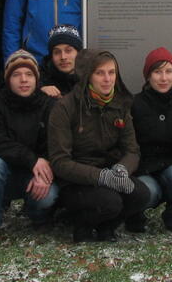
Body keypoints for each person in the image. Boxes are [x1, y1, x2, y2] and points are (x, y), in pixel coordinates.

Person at [48, 49, 148, 242]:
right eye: (100, 73)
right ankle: (81, 225)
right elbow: (60, 161)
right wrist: (101, 177)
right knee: (110, 202)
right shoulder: (65, 107)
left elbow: (132, 150)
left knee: (140, 194)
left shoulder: (120, 104)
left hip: (110, 170)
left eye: (111, 72)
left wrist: (122, 169)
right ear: (88, 76)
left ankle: (106, 227)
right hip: (76, 179)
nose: (107, 79)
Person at [0, 50, 59, 238]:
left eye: (29, 74)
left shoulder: (49, 105)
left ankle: (39, 217)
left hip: (37, 174)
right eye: (16, 74)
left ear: (36, 78)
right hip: (6, 173)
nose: (23, 80)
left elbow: (56, 142)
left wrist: (44, 169)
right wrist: (31, 159)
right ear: (8, 79)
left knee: (48, 196)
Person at [130, 47, 172, 232]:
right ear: (148, 76)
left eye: (168, 71)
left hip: (169, 164)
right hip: (141, 167)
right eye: (157, 72)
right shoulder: (133, 104)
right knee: (149, 192)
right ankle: (135, 215)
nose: (164, 78)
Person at [39, 24, 82, 97]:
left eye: (68, 50)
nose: (63, 57)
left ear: (78, 52)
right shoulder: (40, 79)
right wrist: (40, 92)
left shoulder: (90, 77)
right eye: (57, 52)